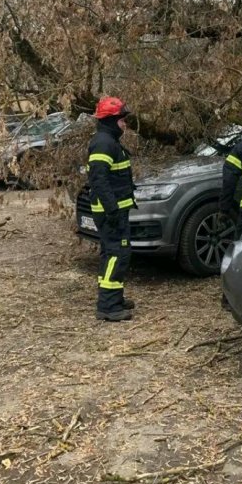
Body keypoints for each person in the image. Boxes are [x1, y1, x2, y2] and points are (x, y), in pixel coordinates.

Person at [87, 96, 136, 322]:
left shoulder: (109, 141)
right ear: (110, 120)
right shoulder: (104, 143)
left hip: (114, 210)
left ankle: (113, 298)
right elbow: (99, 180)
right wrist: (113, 210)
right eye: (121, 120)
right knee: (118, 254)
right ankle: (108, 306)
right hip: (110, 212)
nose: (124, 124)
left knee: (111, 253)